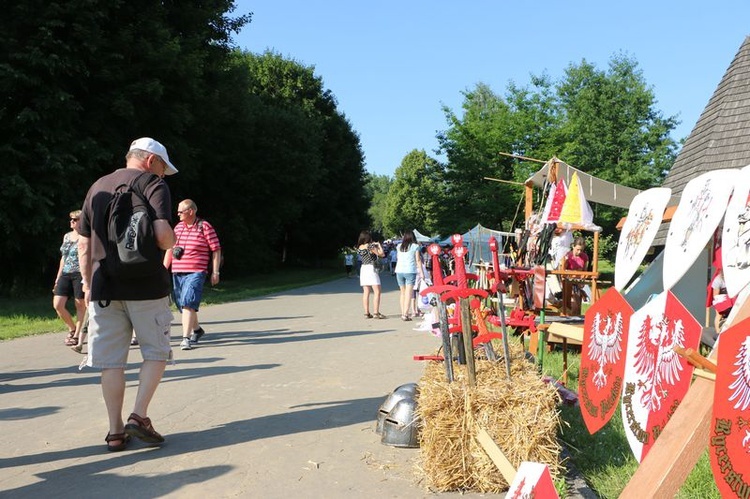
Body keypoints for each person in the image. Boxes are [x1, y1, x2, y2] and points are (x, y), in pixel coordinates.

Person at [78, 137, 178, 452]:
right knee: (156, 352)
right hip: (147, 286)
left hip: (104, 288)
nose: (163, 175)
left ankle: (115, 432)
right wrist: (170, 241)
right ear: (151, 161)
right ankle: (139, 416)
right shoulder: (151, 184)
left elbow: (82, 244)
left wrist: (87, 282)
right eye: (163, 167)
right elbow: (163, 237)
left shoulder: (98, 186)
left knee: (112, 363)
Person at [163, 199, 222, 350]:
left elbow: (216, 249)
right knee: (182, 304)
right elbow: (170, 248)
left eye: (180, 212)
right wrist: (163, 269)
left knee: (188, 302)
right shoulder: (177, 228)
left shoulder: (205, 226)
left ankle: (186, 339)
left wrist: (215, 271)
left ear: (191, 211)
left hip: (196, 271)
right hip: (177, 272)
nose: (178, 214)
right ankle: (197, 330)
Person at [53, 210, 87, 348]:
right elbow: (64, 257)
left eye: (75, 219)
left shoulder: (86, 236)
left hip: (80, 273)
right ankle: (72, 328)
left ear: (81, 221)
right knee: (58, 304)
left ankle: (77, 334)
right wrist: (58, 277)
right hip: (66, 272)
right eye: (71, 219)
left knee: (80, 305)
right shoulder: (67, 236)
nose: (71, 222)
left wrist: (86, 277)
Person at [395, 230, 424, 321]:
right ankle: (405, 314)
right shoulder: (415, 247)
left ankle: (403, 312)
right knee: (409, 293)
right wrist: (422, 273)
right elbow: (418, 260)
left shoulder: (399, 246)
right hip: (410, 271)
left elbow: (397, 258)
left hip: (399, 270)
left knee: (402, 292)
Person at [357, 230, 386, 319]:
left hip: (364, 268)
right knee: (377, 291)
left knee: (366, 292)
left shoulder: (359, 247)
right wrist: (379, 246)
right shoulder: (370, 246)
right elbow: (382, 254)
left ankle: (366, 312)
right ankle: (376, 312)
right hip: (371, 268)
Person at [560, 236, 589, 315]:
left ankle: (576, 318)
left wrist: (582, 281)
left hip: (578, 282)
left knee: (577, 305)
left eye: (581, 250)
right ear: (573, 246)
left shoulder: (584, 257)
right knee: (571, 302)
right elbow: (563, 269)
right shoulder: (568, 256)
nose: (579, 252)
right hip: (568, 281)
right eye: (577, 249)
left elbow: (585, 271)